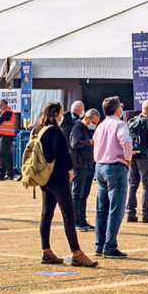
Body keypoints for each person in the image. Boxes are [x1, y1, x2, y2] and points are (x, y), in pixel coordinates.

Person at [35, 102, 98, 267]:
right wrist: (70, 170)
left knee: (46, 214)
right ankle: (76, 253)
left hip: (44, 177)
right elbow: (63, 153)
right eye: (61, 113)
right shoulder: (55, 131)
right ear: (56, 114)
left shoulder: (38, 129)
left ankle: (46, 251)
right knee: (68, 214)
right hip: (58, 177)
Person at [93, 96, 132, 258]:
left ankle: (99, 244)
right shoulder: (120, 124)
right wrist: (128, 158)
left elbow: (95, 142)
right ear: (117, 110)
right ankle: (109, 245)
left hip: (100, 166)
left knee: (101, 208)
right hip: (115, 167)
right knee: (116, 208)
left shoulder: (101, 125)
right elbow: (126, 141)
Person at [126, 100, 148, 224]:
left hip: (133, 156)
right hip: (145, 157)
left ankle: (130, 213)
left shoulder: (132, 120)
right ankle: (147, 214)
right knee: (147, 186)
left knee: (132, 186)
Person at [69, 109, 99, 232]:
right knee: (77, 194)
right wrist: (89, 142)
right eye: (93, 122)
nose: (94, 125)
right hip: (79, 166)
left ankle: (83, 220)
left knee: (84, 195)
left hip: (88, 165)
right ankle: (76, 221)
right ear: (86, 118)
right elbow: (74, 143)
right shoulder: (77, 127)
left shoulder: (87, 129)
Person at [0, 98, 18, 180]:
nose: (0, 107)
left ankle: (1, 174)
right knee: (8, 155)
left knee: (2, 155)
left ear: (5, 105)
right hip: (8, 135)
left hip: (5, 135)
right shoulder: (9, 112)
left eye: (1, 105)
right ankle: (10, 174)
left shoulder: (7, 113)